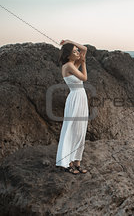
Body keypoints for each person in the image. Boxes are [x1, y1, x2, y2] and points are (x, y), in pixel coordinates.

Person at [55, 39, 89, 175]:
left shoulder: (73, 64)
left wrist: (69, 41)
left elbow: (84, 49)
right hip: (74, 98)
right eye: (74, 51)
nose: (77, 53)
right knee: (70, 129)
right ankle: (66, 162)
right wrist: (84, 63)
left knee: (80, 130)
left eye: (76, 51)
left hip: (81, 97)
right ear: (69, 54)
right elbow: (85, 78)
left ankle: (77, 162)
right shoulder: (69, 66)